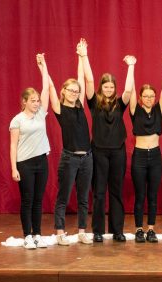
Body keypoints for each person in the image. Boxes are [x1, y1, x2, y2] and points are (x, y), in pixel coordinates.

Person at [82, 48, 135, 243]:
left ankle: (117, 230)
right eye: (106, 87)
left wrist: (131, 66)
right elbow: (88, 80)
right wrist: (85, 55)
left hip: (118, 152)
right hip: (99, 151)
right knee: (99, 192)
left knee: (116, 191)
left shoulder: (120, 104)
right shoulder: (94, 102)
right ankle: (97, 231)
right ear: (101, 88)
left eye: (112, 87)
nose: (109, 90)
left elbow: (128, 90)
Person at [48, 39, 94, 246]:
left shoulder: (80, 107)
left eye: (77, 91)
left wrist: (81, 56)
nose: (75, 92)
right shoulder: (59, 108)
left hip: (87, 158)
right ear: (63, 91)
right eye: (71, 90)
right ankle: (60, 232)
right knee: (64, 196)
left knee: (84, 197)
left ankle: (82, 231)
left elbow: (81, 79)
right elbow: (49, 86)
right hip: (69, 159)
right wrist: (44, 69)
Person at [129, 55, 162, 243]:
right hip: (139, 156)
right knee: (140, 195)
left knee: (152, 195)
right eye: (145, 96)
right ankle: (139, 229)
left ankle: (151, 229)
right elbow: (129, 89)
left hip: (155, 156)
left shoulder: (158, 110)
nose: (149, 98)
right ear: (140, 98)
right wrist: (131, 66)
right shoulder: (135, 110)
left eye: (151, 96)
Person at [10, 53, 51, 250]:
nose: (36, 103)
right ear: (24, 101)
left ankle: (37, 234)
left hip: (42, 162)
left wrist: (43, 66)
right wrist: (13, 168)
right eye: (32, 100)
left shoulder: (41, 114)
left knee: (38, 200)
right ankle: (27, 235)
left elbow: (46, 89)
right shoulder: (17, 120)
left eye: (37, 100)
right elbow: (13, 145)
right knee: (27, 199)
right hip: (25, 163)